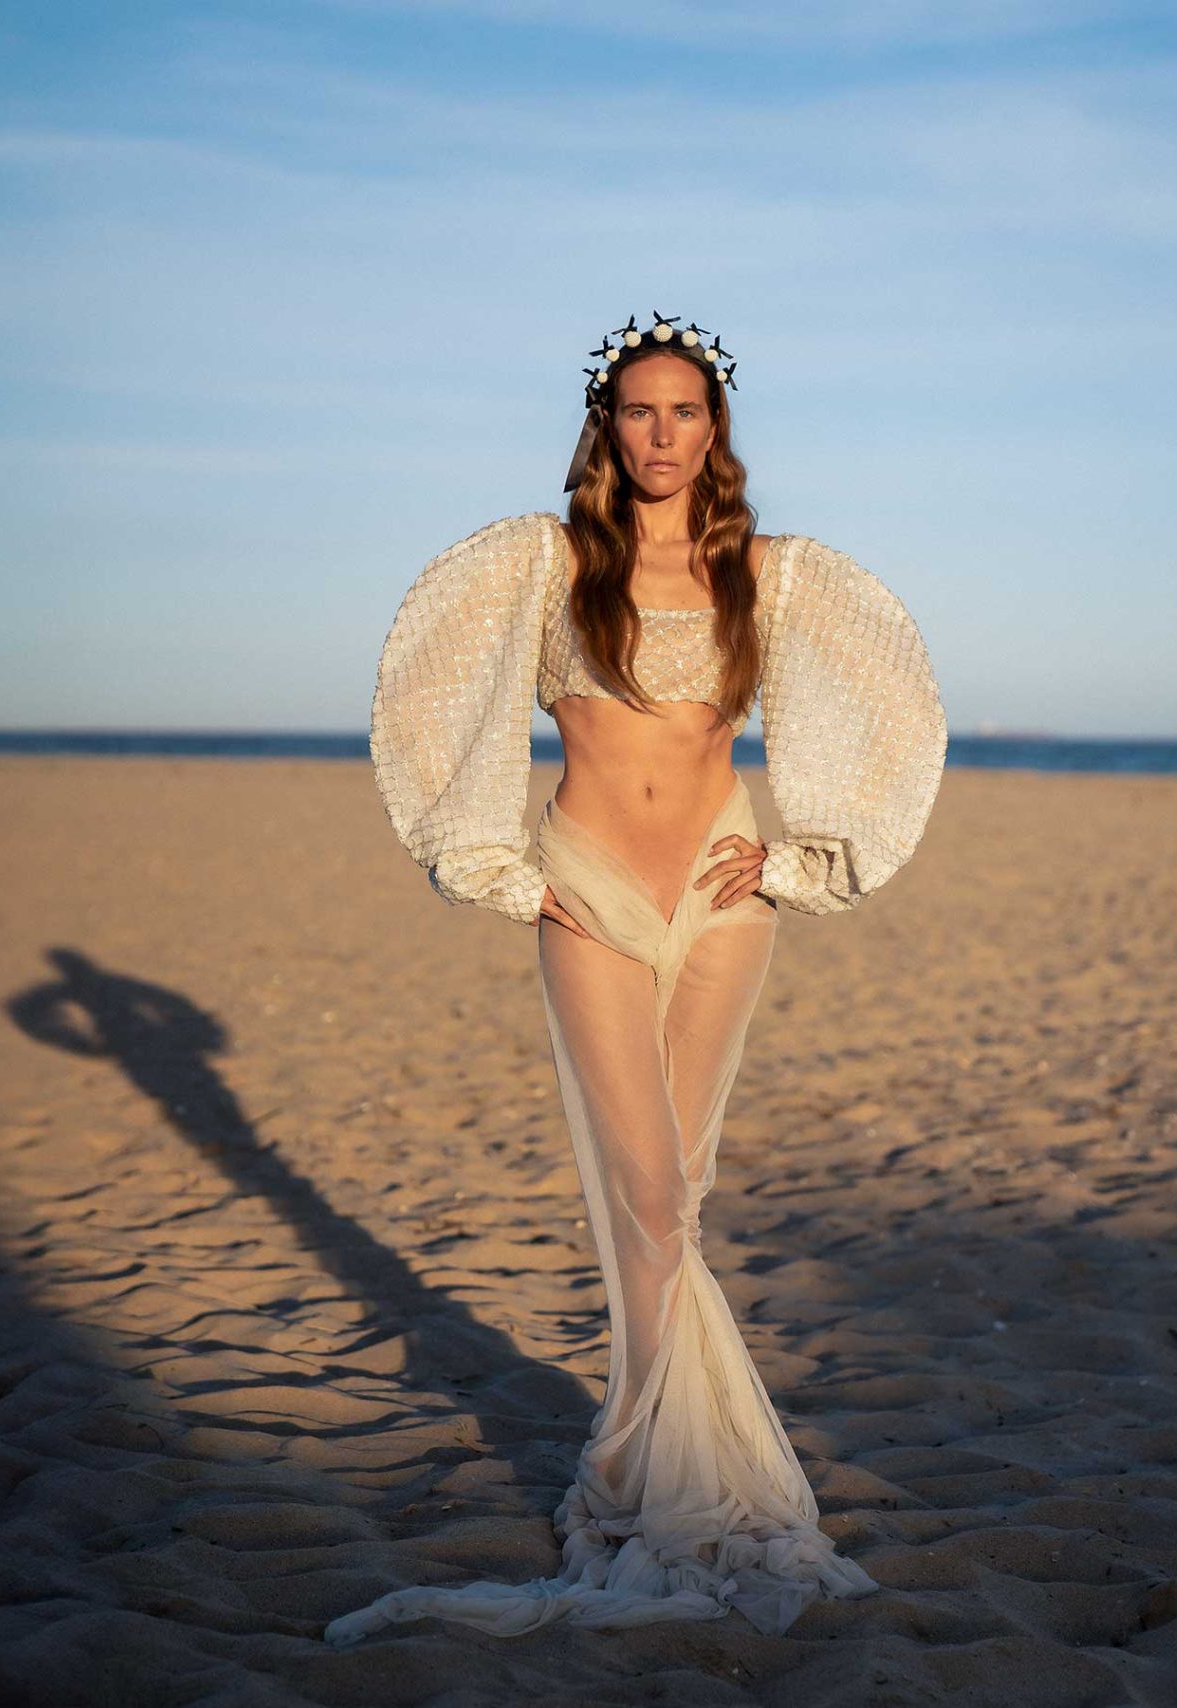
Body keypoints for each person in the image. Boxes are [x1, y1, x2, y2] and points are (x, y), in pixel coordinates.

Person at [324, 311, 948, 1647]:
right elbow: (429, 695)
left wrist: (803, 857)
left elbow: (890, 714)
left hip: (722, 891)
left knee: (687, 1191)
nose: (661, 436)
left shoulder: (769, 575)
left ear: (714, 429)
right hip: (590, 888)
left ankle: (634, 1456)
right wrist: (488, 859)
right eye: (637, 412)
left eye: (685, 413)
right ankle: (659, 1479)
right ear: (605, 426)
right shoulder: (545, 563)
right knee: (648, 1191)